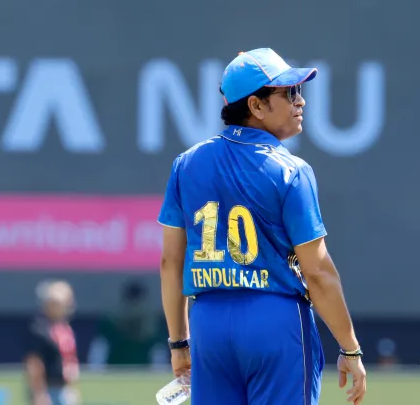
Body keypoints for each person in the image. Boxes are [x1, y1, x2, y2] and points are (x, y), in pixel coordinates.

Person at [157, 47, 367, 405]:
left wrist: (179, 342)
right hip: (274, 321)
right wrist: (350, 349)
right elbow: (318, 273)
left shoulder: (186, 163)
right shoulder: (292, 170)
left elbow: (170, 263)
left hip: (208, 323)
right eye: (289, 93)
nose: (300, 102)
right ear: (255, 106)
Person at [23, 280, 81, 405]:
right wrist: (39, 394)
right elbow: (34, 363)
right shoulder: (39, 329)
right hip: (48, 390)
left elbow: (69, 358)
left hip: (64, 389)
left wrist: (71, 388)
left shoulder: (65, 328)